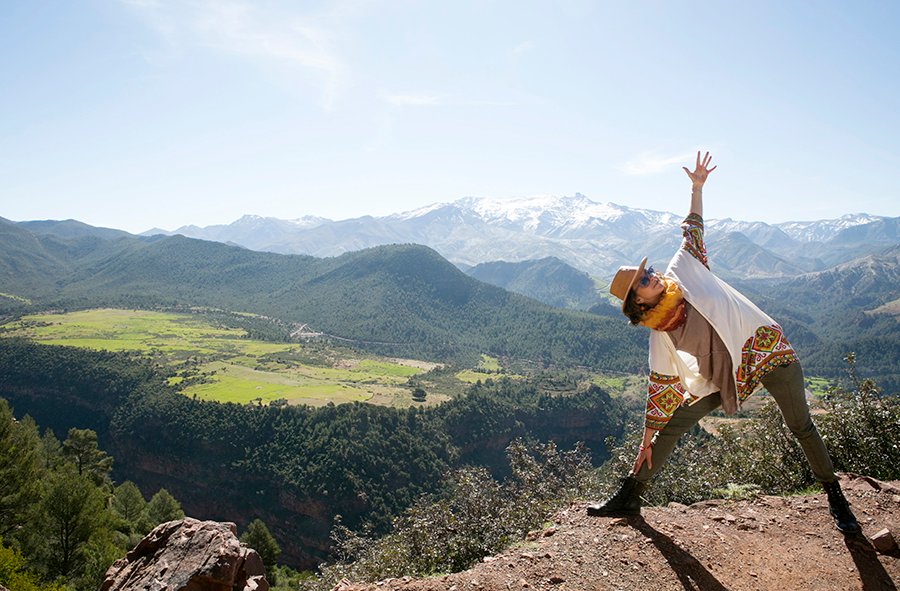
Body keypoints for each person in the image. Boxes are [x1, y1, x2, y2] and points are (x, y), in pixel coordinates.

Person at [587, 151, 859, 534]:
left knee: (800, 426)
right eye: (644, 281)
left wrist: (696, 188)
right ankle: (631, 495)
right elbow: (661, 392)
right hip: (724, 374)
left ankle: (835, 496)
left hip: (765, 350)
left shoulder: (684, 269)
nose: (652, 276)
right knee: (671, 427)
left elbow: (692, 230)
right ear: (638, 303)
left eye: (648, 271)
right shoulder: (660, 333)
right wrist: (644, 442)